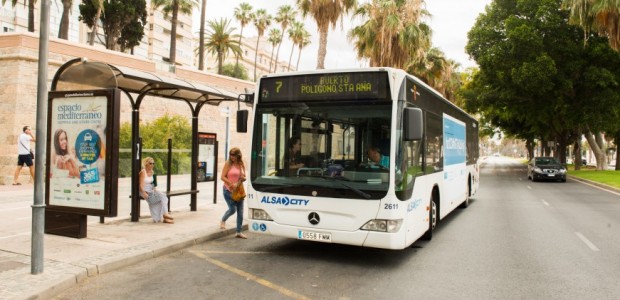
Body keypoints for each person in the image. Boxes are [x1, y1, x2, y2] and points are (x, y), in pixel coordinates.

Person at [220, 147, 247, 239]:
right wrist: (231, 184)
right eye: (231, 155)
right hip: (228, 190)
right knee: (232, 209)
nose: (232, 157)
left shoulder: (240, 164)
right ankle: (223, 220)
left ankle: (238, 232)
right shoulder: (228, 164)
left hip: (238, 191)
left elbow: (243, 176)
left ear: (238, 155)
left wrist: (243, 178)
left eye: (234, 155)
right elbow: (222, 177)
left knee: (240, 212)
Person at [139, 157, 174, 224]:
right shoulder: (143, 172)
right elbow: (140, 185)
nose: (152, 165)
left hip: (151, 191)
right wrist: (144, 193)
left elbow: (152, 184)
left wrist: (155, 190)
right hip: (144, 191)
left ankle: (165, 216)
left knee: (164, 197)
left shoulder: (152, 172)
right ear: (146, 164)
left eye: (153, 163)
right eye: (150, 163)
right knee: (163, 197)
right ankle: (165, 215)